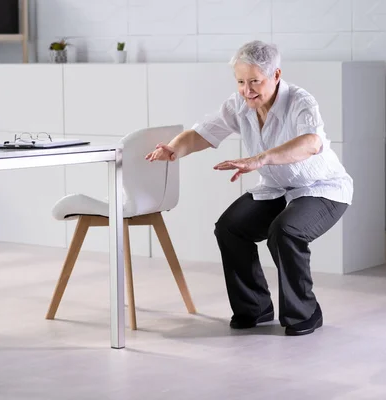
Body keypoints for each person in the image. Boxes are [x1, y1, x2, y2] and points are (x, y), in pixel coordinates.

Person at [145, 40, 353, 336]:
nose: (247, 90)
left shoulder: (300, 101)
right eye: (241, 82)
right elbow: (201, 134)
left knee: (285, 232)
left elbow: (311, 143)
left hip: (321, 189)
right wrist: (174, 149)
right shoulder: (239, 105)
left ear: (276, 74)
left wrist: (260, 159)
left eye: (254, 81)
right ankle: (254, 307)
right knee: (230, 228)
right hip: (277, 189)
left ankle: (305, 313)